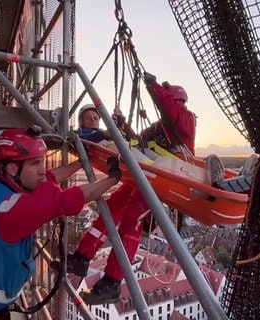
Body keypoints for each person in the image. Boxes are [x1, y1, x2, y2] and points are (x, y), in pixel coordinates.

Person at [67, 72, 196, 305]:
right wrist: (123, 124)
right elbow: (138, 141)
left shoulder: (184, 121)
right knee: (111, 207)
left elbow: (172, 111)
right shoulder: (160, 128)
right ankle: (82, 256)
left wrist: (155, 87)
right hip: (146, 176)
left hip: (165, 181)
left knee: (131, 218)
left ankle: (112, 282)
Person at [0, 126, 122, 319]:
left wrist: (84, 162)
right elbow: (69, 199)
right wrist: (114, 178)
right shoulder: (11, 209)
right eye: (35, 164)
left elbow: (49, 178)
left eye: (43, 161)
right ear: (12, 168)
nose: (43, 170)